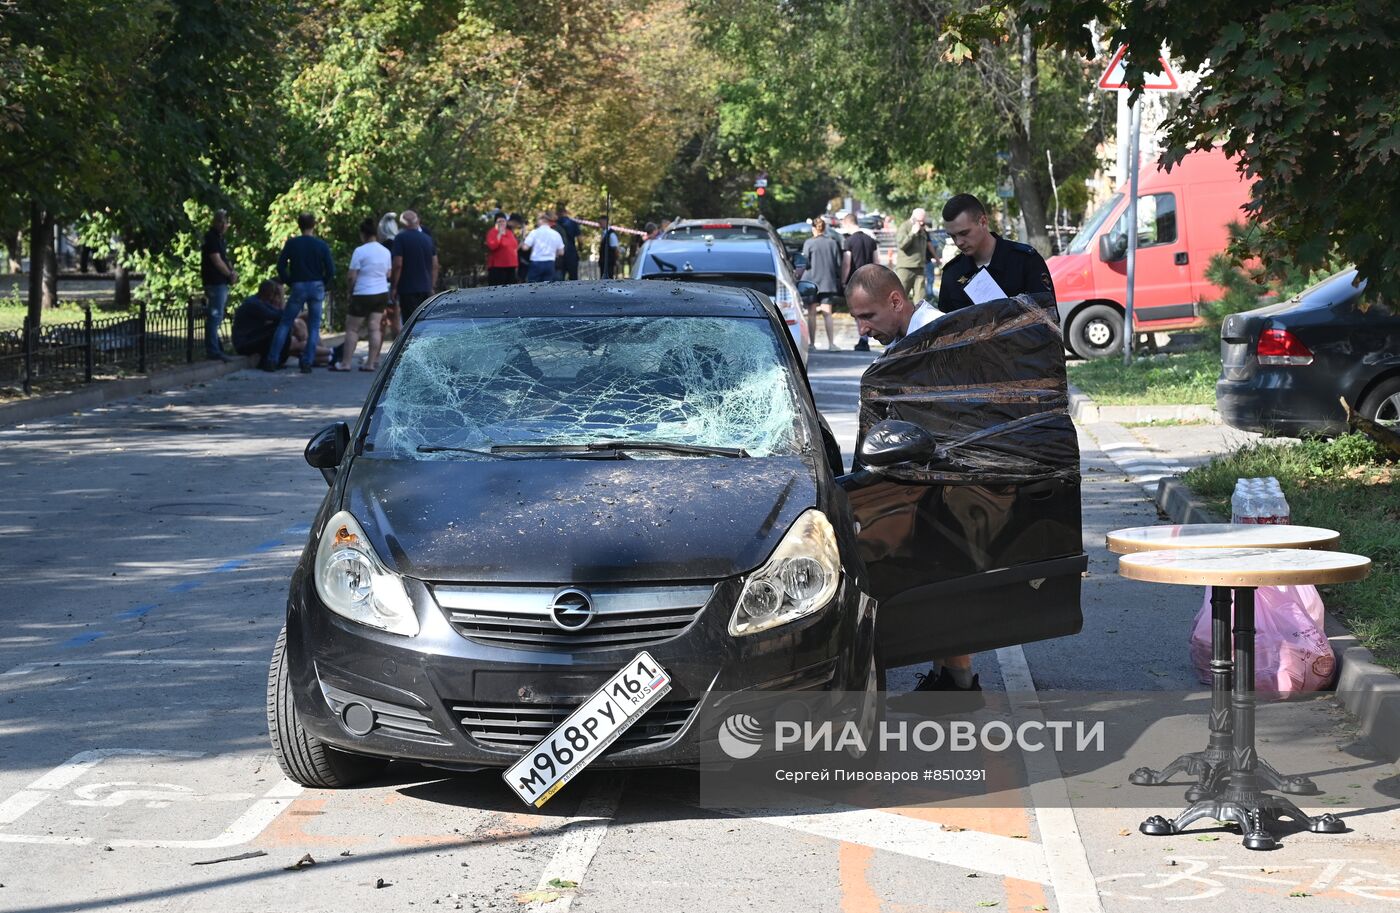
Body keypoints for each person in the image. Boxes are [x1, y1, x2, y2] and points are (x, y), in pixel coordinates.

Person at [845, 263, 978, 700]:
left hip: (951, 480)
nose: (864, 328)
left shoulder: (935, 339)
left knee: (949, 584)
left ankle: (961, 687)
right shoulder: (911, 338)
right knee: (935, 583)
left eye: (869, 317)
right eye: (857, 320)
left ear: (896, 301)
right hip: (925, 476)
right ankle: (946, 677)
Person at [938, 193, 1055, 314]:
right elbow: (944, 328)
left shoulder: (1025, 261)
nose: (959, 242)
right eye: (953, 236)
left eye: (964, 233)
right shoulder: (952, 273)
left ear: (983, 222)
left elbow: (1049, 320)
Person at [271, 212, 335, 374]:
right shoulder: (320, 245)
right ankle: (307, 361)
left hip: (298, 284)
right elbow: (330, 269)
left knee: (286, 322)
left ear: (299, 225)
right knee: (314, 326)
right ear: (314, 225)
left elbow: (280, 265)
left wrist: (289, 281)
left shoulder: (292, 244)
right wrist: (323, 283)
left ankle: (273, 359)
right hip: (316, 285)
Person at [332, 218, 391, 373]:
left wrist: (350, 291)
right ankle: (370, 363)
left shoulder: (360, 251)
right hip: (381, 293)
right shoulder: (385, 251)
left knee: (352, 329)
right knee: (374, 328)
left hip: (363, 293)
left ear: (363, 234)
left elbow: (352, 276)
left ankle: (345, 363)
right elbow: (388, 273)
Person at [236, 280, 330, 368]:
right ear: (269, 293)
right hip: (246, 343)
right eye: (274, 294)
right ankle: (331, 352)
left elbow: (280, 313)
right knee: (296, 340)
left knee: (298, 339)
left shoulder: (261, 301)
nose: (273, 298)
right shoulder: (254, 304)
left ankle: (331, 357)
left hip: (259, 337)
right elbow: (278, 316)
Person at [798, 217, 844, 351]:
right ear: (825, 229)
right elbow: (838, 264)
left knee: (811, 314)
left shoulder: (809, 243)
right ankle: (831, 344)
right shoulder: (832, 243)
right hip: (827, 282)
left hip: (811, 282)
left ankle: (812, 344)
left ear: (813, 229)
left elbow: (805, 263)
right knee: (827, 313)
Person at [390, 209, 439, 324]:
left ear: (403, 224)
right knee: (424, 323)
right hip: (426, 287)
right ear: (417, 221)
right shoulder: (428, 239)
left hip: (407, 288)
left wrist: (394, 286)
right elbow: (435, 264)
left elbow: (398, 264)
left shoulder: (400, 238)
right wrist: (432, 285)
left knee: (410, 323)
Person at [200, 210, 236, 362]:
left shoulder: (221, 239)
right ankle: (213, 351)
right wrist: (229, 274)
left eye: (225, 222)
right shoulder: (211, 238)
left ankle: (217, 348)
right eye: (220, 221)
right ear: (214, 222)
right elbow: (216, 260)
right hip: (214, 281)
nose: (223, 225)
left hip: (221, 282)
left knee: (217, 315)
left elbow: (224, 259)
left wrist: (232, 272)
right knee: (215, 316)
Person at [840, 213, 879, 351]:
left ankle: (862, 339)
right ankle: (867, 337)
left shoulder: (849, 241)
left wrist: (843, 281)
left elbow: (846, 263)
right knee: (868, 311)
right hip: (869, 280)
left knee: (858, 312)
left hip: (855, 281)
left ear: (848, 223)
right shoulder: (871, 240)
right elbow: (876, 262)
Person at [894, 207, 935, 303]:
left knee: (920, 299)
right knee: (900, 296)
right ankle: (896, 318)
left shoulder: (922, 229)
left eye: (923, 221)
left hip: (920, 267)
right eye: (920, 221)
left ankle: (918, 317)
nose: (922, 223)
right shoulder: (905, 226)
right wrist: (912, 233)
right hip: (906, 268)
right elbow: (902, 245)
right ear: (913, 218)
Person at [522, 213, 565, 282]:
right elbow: (561, 252)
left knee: (532, 286)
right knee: (548, 287)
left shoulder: (534, 233)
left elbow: (525, 248)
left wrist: (523, 241)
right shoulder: (556, 234)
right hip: (550, 263)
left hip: (536, 262)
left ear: (540, 221)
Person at [485, 213, 519, 286]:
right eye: (499, 221)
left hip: (511, 265)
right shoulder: (492, 232)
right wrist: (499, 234)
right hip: (498, 267)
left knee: (511, 289)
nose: (501, 223)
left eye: (503, 221)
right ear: (495, 223)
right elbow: (492, 246)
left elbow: (514, 246)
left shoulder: (509, 232)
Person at [555, 203, 582, 280]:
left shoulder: (556, 224)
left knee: (559, 279)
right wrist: (580, 248)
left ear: (558, 213)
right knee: (573, 277)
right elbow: (580, 239)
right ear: (566, 212)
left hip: (559, 253)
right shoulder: (573, 223)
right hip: (571, 252)